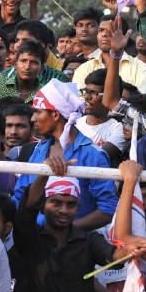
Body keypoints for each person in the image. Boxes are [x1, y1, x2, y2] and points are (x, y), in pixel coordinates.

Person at [13, 155, 135, 292]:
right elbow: (26, 210)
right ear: (44, 204)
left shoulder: (88, 240)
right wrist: (44, 174)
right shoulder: (31, 240)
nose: (63, 210)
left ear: (78, 207)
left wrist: (128, 251)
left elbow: (113, 258)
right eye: (56, 202)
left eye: (71, 204)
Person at [11, 79, 118, 230]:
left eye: (38, 112)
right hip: (35, 240)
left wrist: (65, 231)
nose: (33, 118)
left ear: (55, 114)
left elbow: (108, 209)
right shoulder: (39, 149)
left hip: (75, 247)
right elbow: (19, 197)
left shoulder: (93, 155)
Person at [75, 68, 127, 160]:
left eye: (93, 93)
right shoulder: (75, 123)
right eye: (86, 91)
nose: (87, 97)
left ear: (111, 96)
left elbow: (98, 159)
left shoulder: (119, 128)